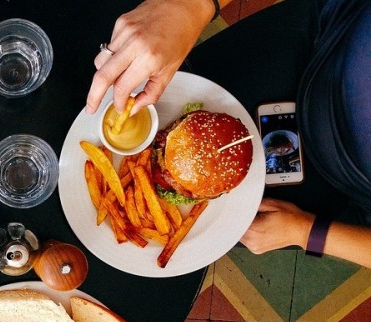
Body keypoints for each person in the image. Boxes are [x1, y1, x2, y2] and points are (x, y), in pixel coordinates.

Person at [85, 0, 371, 269]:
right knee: (184, 70)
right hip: (323, 32)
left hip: (337, 186)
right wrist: (189, 7)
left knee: (230, 227)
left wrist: (308, 232)